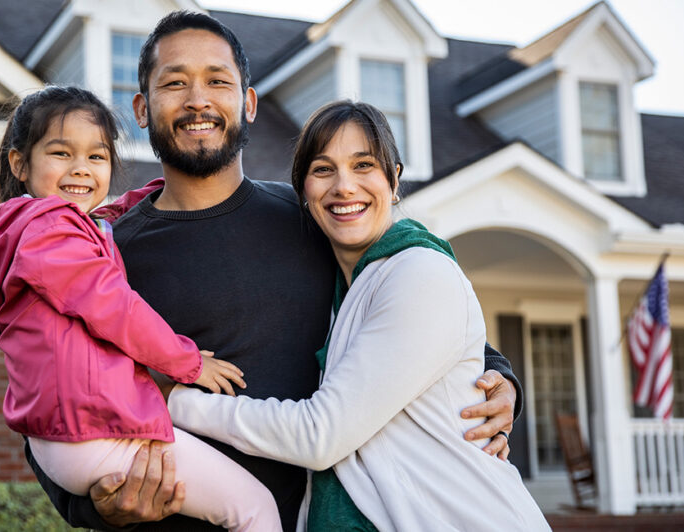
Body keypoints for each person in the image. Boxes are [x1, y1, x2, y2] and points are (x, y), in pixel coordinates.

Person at [27, 12, 524, 531]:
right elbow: (40, 389)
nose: (197, 99)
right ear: (141, 109)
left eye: (217, 81)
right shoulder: (103, 252)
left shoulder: (313, 217)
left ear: (248, 102)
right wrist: (92, 507)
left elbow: (410, 313)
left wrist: (500, 377)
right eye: (174, 83)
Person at [168, 101, 549, 531]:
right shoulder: (335, 284)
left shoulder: (420, 271)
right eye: (323, 169)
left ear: (394, 179)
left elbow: (321, 435)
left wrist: (170, 401)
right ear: (303, 191)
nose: (344, 186)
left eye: (363, 165)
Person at [0, 85, 283, 532]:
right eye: (61, 153)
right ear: (20, 164)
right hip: (95, 432)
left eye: (96, 156)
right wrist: (188, 362)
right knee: (254, 509)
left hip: (63, 437)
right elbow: (116, 308)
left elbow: (99, 223)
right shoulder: (51, 234)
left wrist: (149, 197)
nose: (81, 167)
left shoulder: (34, 229)